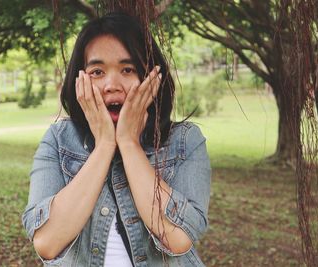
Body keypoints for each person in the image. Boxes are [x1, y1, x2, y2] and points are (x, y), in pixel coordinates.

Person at [22, 12, 211, 267]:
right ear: (79, 81)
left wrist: (129, 144)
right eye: (97, 71)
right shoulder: (58, 140)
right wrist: (105, 146)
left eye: (128, 69)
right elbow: (47, 242)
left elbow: (177, 238)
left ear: (151, 77)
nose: (112, 84)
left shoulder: (185, 140)